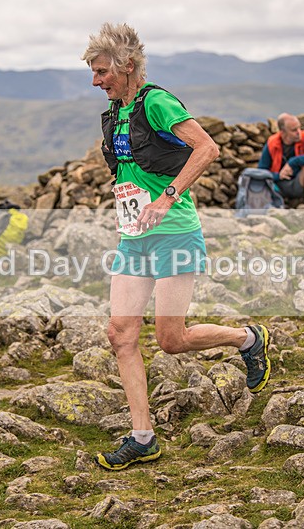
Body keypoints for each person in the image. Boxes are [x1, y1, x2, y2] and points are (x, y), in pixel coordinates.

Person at [82, 23, 271, 470]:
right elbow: (129, 171)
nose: (96, 81)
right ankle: (142, 437)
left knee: (171, 339)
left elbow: (207, 149)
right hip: (134, 237)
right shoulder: (113, 113)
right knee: (120, 334)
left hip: (174, 232)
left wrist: (167, 198)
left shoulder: (158, 102)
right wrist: (129, 205)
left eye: (102, 71)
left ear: (127, 66)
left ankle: (248, 338)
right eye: (92, 72)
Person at [256, 112, 304, 208]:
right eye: (294, 130)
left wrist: (292, 162)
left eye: (299, 128)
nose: (298, 132)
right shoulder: (272, 143)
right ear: (283, 132)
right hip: (278, 186)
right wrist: (279, 176)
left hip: (299, 182)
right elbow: (261, 171)